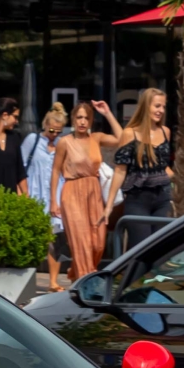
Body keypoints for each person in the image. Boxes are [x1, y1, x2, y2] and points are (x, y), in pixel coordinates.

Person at [51, 101, 111, 280]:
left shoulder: (97, 138)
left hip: (94, 191)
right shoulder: (64, 142)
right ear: (73, 119)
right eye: (79, 117)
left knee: (98, 243)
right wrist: (53, 200)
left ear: (91, 120)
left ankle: (77, 273)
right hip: (72, 191)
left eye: (86, 118)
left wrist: (107, 113)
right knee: (81, 242)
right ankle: (86, 281)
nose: (82, 121)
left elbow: (122, 137)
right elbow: (55, 170)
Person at [90, 88, 170, 219]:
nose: (161, 110)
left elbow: (162, 167)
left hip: (163, 198)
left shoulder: (165, 132)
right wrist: (109, 206)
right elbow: (120, 171)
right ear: (145, 106)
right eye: (157, 106)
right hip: (138, 199)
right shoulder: (130, 134)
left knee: (164, 239)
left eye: (163, 107)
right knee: (142, 240)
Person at [21, 105, 68, 291]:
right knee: (33, 239)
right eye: (51, 130)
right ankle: (26, 279)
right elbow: (21, 166)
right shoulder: (32, 140)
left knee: (54, 240)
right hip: (35, 194)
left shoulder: (61, 144)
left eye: (58, 131)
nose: (54, 134)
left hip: (54, 196)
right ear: (44, 125)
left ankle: (53, 281)